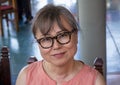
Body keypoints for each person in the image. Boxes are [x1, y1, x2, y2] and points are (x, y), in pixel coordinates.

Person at [16, 4, 106, 85]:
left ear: (76, 36)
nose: (56, 46)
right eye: (46, 39)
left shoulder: (95, 81)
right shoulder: (25, 77)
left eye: (63, 35)